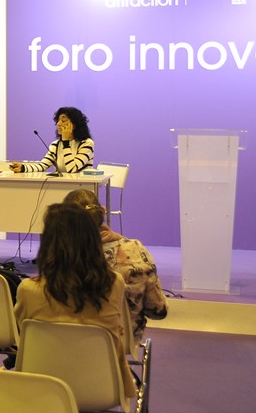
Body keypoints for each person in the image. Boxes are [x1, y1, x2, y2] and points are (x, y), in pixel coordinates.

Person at [14, 203, 135, 397]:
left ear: (48, 243)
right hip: (103, 388)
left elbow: (21, 334)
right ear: (93, 241)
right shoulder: (114, 284)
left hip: (41, 384)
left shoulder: (28, 290)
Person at [64, 188, 168, 342]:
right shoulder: (135, 250)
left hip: (64, 343)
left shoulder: (57, 259)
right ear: (102, 211)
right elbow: (158, 311)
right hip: (121, 341)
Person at [10, 106, 94, 174]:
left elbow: (72, 169)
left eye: (63, 121)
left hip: (82, 187)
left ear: (74, 125)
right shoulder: (56, 145)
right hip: (62, 185)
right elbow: (42, 166)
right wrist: (23, 168)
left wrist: (65, 142)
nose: (58, 124)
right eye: (58, 121)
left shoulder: (86, 143)